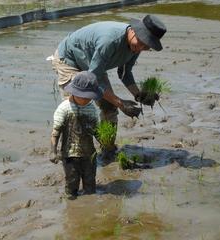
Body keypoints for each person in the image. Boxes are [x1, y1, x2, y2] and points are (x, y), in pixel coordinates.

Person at [50, 14, 167, 155]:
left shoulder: (136, 45)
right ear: (134, 31)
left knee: (109, 106)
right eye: (141, 42)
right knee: (76, 110)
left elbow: (124, 73)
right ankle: (71, 154)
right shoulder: (110, 40)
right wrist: (121, 103)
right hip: (70, 61)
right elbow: (93, 81)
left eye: (146, 46)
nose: (141, 48)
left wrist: (138, 95)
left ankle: (108, 148)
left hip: (94, 65)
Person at [50, 71, 101, 200]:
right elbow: (56, 132)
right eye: (84, 97)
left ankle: (89, 202)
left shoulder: (91, 108)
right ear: (74, 92)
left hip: (89, 154)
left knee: (90, 184)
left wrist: (105, 142)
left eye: (90, 97)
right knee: (71, 184)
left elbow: (97, 130)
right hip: (70, 155)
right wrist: (53, 151)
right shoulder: (64, 109)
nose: (87, 100)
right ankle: (72, 206)